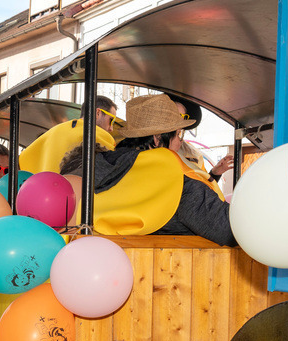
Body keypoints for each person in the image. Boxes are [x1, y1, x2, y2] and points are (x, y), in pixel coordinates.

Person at [60, 93, 236, 246]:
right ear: (158, 138)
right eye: (179, 133)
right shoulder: (176, 187)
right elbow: (230, 230)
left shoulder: (91, 164)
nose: (180, 141)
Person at [18, 95, 120, 175]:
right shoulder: (99, 135)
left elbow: (24, 159)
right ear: (97, 113)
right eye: (111, 120)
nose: (111, 128)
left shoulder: (54, 131)